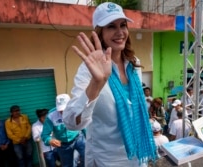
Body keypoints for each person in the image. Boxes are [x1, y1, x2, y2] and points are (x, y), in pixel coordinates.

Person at [63, 2, 157, 166]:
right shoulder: (88, 70)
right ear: (100, 33)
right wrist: (97, 83)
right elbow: (71, 122)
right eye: (111, 26)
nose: (120, 32)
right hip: (108, 161)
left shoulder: (134, 64)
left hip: (138, 156)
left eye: (123, 25)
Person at [41, 94, 85, 167]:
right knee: (67, 165)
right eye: (60, 110)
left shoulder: (76, 111)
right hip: (63, 145)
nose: (62, 112)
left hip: (78, 138)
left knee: (88, 157)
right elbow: (44, 135)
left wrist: (90, 139)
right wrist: (50, 140)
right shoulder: (51, 116)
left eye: (65, 109)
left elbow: (83, 126)